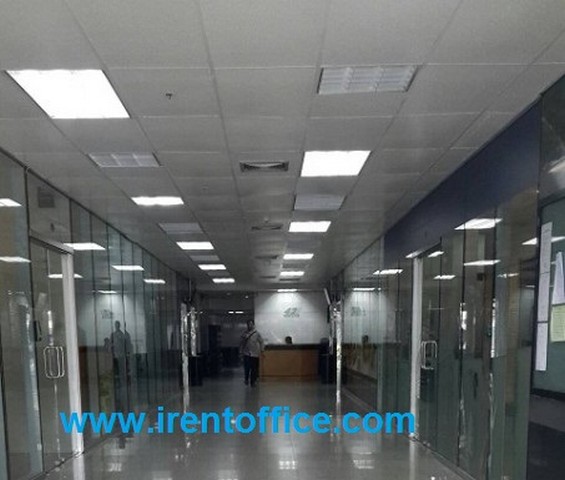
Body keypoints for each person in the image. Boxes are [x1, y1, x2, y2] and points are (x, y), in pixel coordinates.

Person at [240, 320, 264, 386]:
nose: (249, 325)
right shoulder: (244, 333)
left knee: (254, 368)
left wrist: (262, 350)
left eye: (251, 324)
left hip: (255, 353)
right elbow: (241, 343)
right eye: (248, 324)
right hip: (246, 353)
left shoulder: (257, 333)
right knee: (247, 368)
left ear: (253, 325)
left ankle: (252, 382)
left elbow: (261, 341)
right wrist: (240, 351)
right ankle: (246, 379)